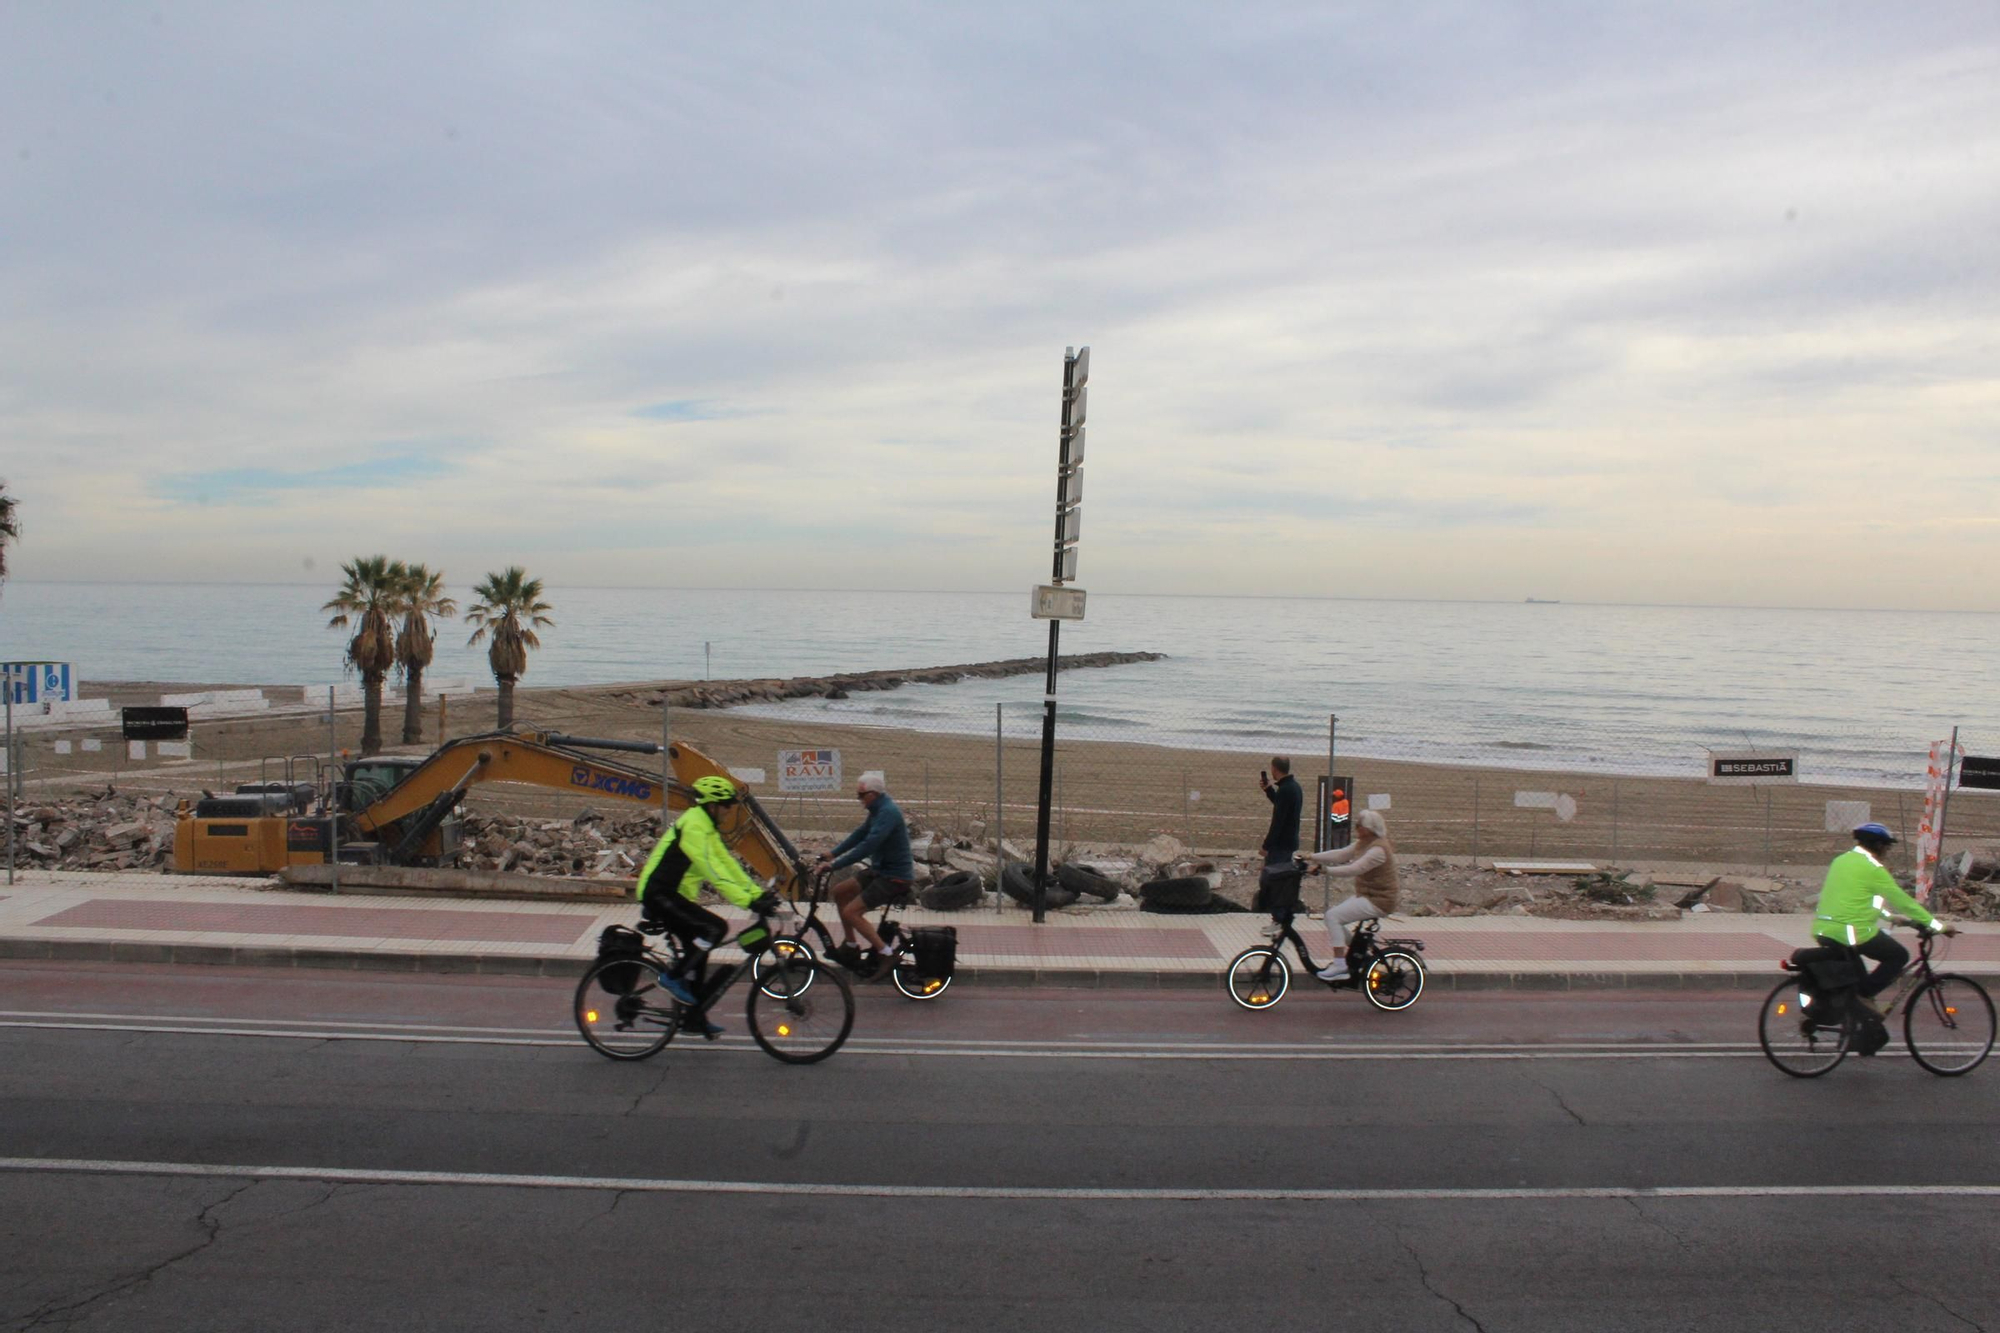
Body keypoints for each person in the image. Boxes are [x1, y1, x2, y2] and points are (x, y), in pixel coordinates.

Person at [635, 774, 780, 1034]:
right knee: (715, 929)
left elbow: (727, 863)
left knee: (699, 953)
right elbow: (712, 869)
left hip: (673, 895)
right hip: (659, 894)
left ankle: (694, 1018)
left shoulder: (706, 826)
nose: (728, 811)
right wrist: (747, 901)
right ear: (712, 804)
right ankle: (671, 977)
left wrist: (756, 893)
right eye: (726, 805)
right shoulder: (693, 825)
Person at [1811, 822, 1955, 1014]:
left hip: (1823, 929)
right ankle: (1864, 1001)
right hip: (1852, 932)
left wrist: (1890, 917)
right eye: (1887, 846)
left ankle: (1856, 1013)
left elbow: (1855, 899)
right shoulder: (1873, 868)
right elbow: (1904, 902)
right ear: (1879, 845)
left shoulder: (1841, 861)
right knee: (1898, 956)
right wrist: (1938, 926)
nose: (1888, 850)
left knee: (1858, 980)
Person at [816, 770, 913, 978]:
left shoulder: (888, 812)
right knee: (839, 892)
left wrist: (835, 865)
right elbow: (859, 835)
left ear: (873, 794)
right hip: (880, 871)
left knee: (852, 912)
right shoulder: (877, 810)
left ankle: (886, 954)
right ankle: (851, 946)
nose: (859, 799)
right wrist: (832, 854)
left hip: (894, 877)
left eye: (861, 796)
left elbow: (869, 845)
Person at [1298, 808, 1399, 982]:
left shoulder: (1378, 850)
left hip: (1380, 900)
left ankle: (1340, 965)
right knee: (1334, 918)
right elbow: (1340, 855)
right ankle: (1357, 954)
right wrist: (1310, 856)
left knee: (1332, 916)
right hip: (1367, 895)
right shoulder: (1364, 842)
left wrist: (1324, 870)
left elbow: (1354, 869)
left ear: (1368, 829)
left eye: (1358, 826)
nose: (1355, 828)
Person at [1257, 757, 1303, 906]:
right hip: (1289, 841)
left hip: (1280, 844)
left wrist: (1266, 846)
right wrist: (1269, 790)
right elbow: (1281, 806)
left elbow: (1278, 822)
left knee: (1270, 877)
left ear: (1275, 769)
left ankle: (1271, 907)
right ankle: (1278, 904)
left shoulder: (1285, 790)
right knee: (1282, 877)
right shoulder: (1294, 787)